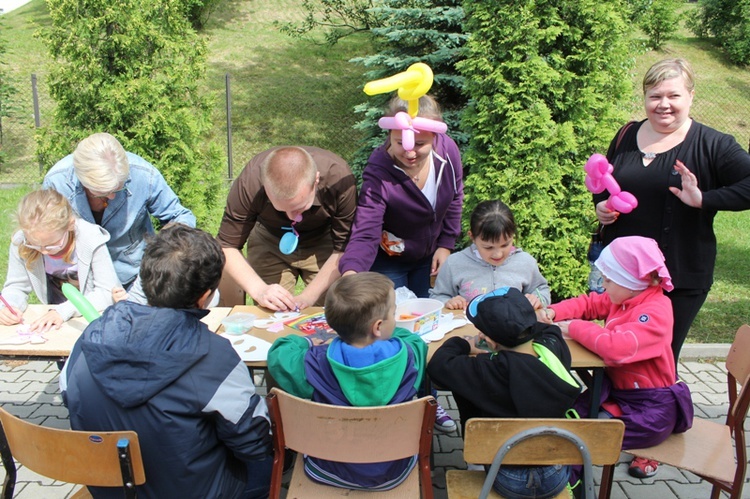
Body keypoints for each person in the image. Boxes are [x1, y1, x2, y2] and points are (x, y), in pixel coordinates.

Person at [60, 225, 273, 499]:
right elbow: (253, 444)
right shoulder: (215, 357)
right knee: (267, 459)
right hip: (191, 490)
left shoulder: (90, 337)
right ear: (205, 296)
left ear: (145, 279)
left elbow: (69, 398)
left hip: (110, 488)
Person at [594, 58, 750, 363]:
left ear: (691, 96)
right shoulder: (627, 134)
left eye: (673, 95)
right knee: (618, 357)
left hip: (677, 277)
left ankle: (664, 411)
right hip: (624, 277)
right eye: (655, 96)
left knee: (657, 361)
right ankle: (619, 412)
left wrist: (704, 199)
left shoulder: (713, 145)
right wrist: (601, 205)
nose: (663, 104)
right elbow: (607, 181)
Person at [539, 236, 693, 480]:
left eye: (609, 280)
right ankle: (556, 478)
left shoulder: (656, 312)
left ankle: (563, 485)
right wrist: (553, 311)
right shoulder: (626, 298)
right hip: (620, 397)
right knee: (569, 420)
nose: (603, 284)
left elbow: (618, 348)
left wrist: (575, 328)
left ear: (630, 282)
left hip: (651, 411)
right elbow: (590, 304)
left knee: (581, 437)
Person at [266, 272, 428, 491]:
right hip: (395, 469)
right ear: (378, 326)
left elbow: (279, 354)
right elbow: (414, 339)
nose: (396, 317)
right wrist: (386, 333)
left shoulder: (314, 362)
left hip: (325, 467)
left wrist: (305, 341)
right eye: (394, 312)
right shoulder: (409, 356)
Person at [427, 287, 580, 499]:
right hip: (555, 474)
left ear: (489, 341)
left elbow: (439, 365)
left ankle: (475, 466)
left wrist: (464, 343)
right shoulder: (554, 348)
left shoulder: (488, 370)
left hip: (506, 478)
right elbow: (546, 329)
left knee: (470, 393)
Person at [339, 94, 464, 298]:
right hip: (391, 261)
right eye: (400, 143)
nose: (410, 153)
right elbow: (366, 229)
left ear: (434, 137)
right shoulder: (378, 172)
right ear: (389, 135)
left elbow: (455, 197)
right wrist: (352, 272)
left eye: (419, 144)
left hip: (430, 257)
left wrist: (446, 244)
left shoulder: (448, 151)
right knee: (396, 317)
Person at [43, 132, 196, 294]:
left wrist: (164, 248)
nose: (111, 196)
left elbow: (180, 216)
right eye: (101, 193)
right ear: (82, 179)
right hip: (79, 282)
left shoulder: (143, 175)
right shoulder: (56, 182)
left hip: (133, 279)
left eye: (119, 188)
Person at [217, 146, 357, 311]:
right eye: (281, 209)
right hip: (268, 238)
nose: (292, 218)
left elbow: (345, 248)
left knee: (332, 311)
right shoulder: (251, 181)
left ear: (316, 181)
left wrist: (307, 297)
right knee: (272, 311)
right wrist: (259, 290)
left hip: (324, 241)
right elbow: (226, 245)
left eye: (300, 207)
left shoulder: (338, 178)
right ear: (264, 186)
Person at [0, 189, 119, 332]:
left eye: (52, 245)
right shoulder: (22, 242)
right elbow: (16, 286)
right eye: (35, 244)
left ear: (70, 225)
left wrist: (63, 311)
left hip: (93, 320)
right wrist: (10, 306)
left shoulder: (90, 239)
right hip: (56, 321)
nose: (43, 251)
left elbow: (107, 292)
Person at [430, 199, 550, 310]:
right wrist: (448, 302)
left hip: (513, 331)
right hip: (469, 331)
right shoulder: (454, 263)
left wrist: (538, 299)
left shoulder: (525, 262)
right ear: (472, 237)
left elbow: (542, 290)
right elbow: (437, 296)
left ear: (513, 235)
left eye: (505, 245)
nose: (498, 254)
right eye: (488, 247)